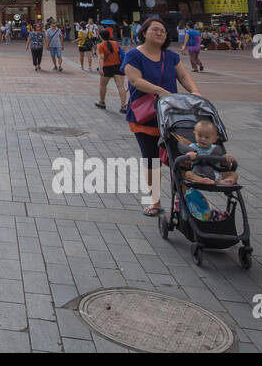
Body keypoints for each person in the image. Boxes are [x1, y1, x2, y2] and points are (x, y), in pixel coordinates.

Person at [122, 16, 202, 217]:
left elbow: (183, 76)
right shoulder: (133, 55)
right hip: (145, 114)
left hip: (171, 116)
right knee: (151, 159)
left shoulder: (171, 56)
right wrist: (160, 91)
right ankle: (155, 202)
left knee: (181, 157)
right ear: (144, 32)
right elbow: (135, 80)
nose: (159, 33)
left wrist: (194, 91)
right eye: (154, 29)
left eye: (163, 31)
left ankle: (184, 200)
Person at [174, 118, 239, 187]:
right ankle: (203, 181)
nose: (203, 139)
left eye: (207, 137)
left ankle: (226, 181)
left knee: (234, 174)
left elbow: (223, 164)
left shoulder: (216, 149)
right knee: (188, 174)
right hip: (199, 173)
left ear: (214, 139)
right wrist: (188, 156)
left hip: (217, 174)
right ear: (195, 134)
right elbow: (186, 163)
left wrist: (227, 158)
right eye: (200, 135)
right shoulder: (191, 147)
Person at [94, 29, 127, 112]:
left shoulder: (100, 45)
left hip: (107, 67)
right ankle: (123, 106)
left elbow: (101, 58)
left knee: (103, 85)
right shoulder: (115, 43)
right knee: (121, 86)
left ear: (101, 36)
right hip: (118, 66)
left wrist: (100, 68)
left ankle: (102, 102)